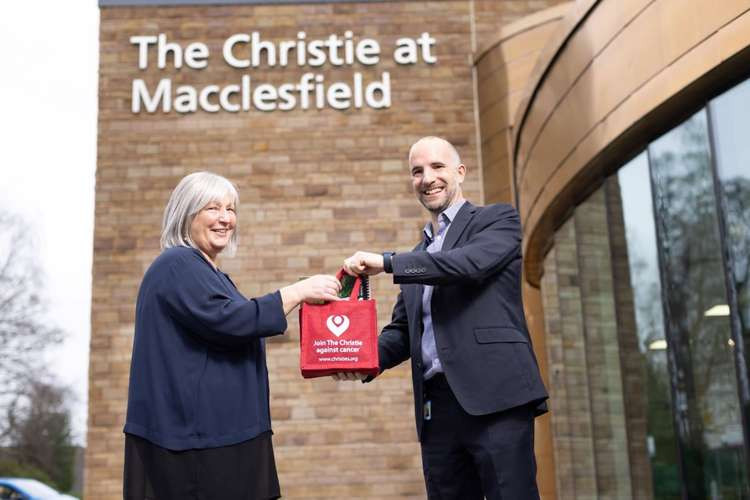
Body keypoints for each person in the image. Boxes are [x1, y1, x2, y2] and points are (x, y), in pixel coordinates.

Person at [337, 137, 549, 499]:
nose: (427, 178)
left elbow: (468, 266)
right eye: (417, 171)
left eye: (437, 167)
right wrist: (363, 359)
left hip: (495, 400)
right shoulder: (419, 255)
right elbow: (404, 331)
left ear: (460, 173)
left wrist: (388, 262)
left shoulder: (496, 220)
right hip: (437, 410)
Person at [123, 171, 342, 500]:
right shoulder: (178, 264)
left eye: (231, 209)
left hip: (218, 438)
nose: (225, 219)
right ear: (186, 213)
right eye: (212, 208)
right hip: (197, 445)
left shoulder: (209, 272)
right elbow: (230, 321)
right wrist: (297, 291)